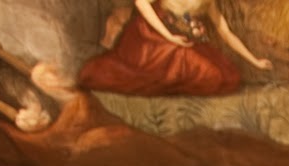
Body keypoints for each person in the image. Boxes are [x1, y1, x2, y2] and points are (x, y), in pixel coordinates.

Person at [79, 0, 271, 97]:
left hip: (183, 40)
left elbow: (225, 32)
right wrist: (169, 36)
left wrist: (255, 61)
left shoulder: (208, 1)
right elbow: (140, 2)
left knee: (222, 76)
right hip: (152, 38)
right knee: (193, 69)